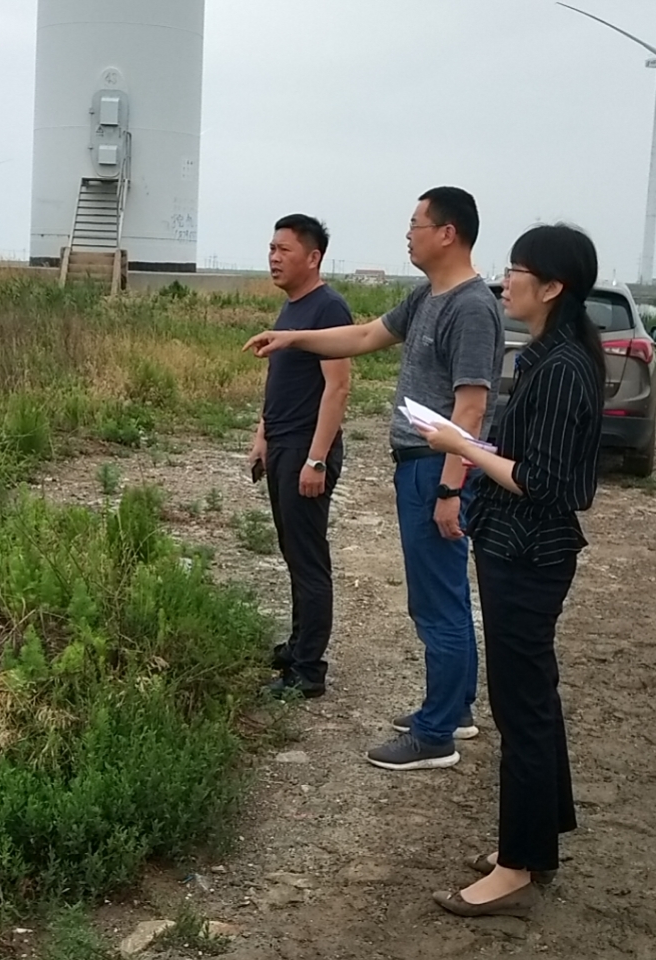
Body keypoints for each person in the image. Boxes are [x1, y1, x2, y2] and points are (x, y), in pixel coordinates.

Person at [245, 187, 504, 771]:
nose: (407, 234)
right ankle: (454, 710)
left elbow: (470, 408)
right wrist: (292, 338)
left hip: (436, 468)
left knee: (437, 603)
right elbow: (363, 336)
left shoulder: (469, 307)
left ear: (448, 233)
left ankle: (435, 734)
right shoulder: (427, 296)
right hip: (419, 465)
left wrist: (450, 488)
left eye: (416, 224)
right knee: (441, 596)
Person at [413, 223, 605, 918]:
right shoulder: (551, 356)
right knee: (533, 698)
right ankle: (535, 842)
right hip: (519, 550)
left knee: (521, 710)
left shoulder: (560, 368)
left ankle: (517, 870)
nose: (505, 281)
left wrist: (460, 445)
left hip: (528, 554)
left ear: (552, 287)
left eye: (518, 271)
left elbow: (544, 483)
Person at [251, 214, 353, 699]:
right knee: (293, 552)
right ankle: (297, 646)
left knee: (309, 561)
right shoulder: (292, 307)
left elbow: (338, 388)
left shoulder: (328, 307)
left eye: (284, 250)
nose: (274, 258)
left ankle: (309, 670)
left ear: (313, 258)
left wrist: (316, 459)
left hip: (306, 450)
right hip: (283, 445)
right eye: (272, 248)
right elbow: (281, 380)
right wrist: (262, 435)